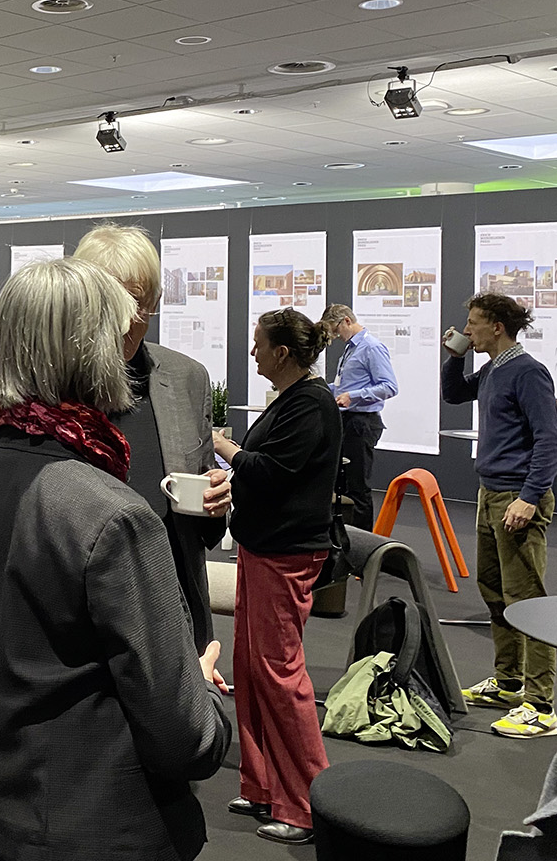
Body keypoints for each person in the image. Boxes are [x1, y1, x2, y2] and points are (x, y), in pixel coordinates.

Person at [0, 257, 231, 861]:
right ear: (95, 354)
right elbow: (189, 742)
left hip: (3, 815)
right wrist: (202, 692)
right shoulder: (110, 514)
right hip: (104, 829)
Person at [211, 309, 340, 845]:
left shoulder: (310, 403)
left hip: (285, 554)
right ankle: (263, 784)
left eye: (259, 344)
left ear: (283, 353)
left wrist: (225, 448)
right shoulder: (295, 400)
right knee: (252, 666)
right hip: (264, 549)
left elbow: (270, 471)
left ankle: (308, 803)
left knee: (279, 675)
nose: (253, 353)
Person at [72, 223, 231, 653]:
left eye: (137, 305)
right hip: (78, 614)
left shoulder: (185, 379)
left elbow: (202, 502)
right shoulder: (47, 388)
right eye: (110, 305)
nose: (124, 323)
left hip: (172, 603)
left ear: (156, 301)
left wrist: (217, 503)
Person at [442, 293, 557, 739]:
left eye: (473, 324)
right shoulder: (494, 369)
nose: (467, 331)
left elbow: (549, 439)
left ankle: (541, 703)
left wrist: (530, 497)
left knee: (526, 597)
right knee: (495, 593)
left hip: (516, 497)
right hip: (491, 493)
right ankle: (509, 681)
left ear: (498, 326)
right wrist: (453, 357)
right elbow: (454, 394)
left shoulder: (528, 372)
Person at [321, 303, 399, 529]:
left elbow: (389, 386)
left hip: (362, 423)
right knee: (340, 484)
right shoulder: (350, 348)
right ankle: (341, 539)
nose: (335, 336)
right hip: (346, 421)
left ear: (346, 320)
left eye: (336, 330)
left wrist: (353, 396)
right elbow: (341, 386)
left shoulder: (371, 347)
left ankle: (364, 547)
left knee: (357, 487)